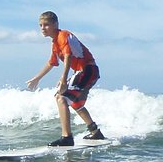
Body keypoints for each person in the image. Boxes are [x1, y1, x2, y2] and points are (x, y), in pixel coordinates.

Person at [26, 11, 105, 146]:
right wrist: (37, 78)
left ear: (55, 24)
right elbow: (51, 63)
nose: (42, 28)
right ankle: (95, 132)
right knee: (75, 103)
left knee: (61, 97)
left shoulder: (63, 35)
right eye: (40, 25)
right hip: (84, 71)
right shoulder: (55, 43)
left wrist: (64, 79)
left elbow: (68, 57)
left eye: (46, 25)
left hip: (87, 70)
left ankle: (67, 137)